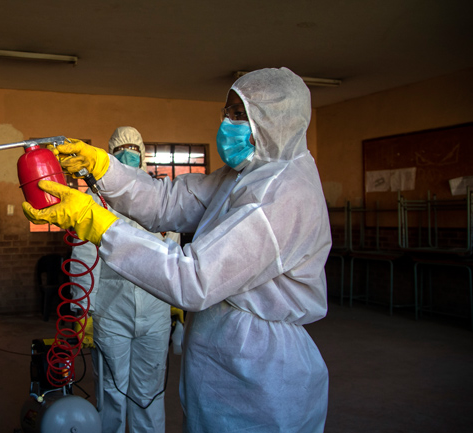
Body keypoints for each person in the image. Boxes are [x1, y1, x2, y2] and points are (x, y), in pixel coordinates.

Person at [23, 67, 331, 432]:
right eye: (226, 112)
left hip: (260, 369)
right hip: (219, 351)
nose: (226, 123)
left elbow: (193, 277)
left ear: (272, 121)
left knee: (150, 396)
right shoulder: (246, 174)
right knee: (117, 391)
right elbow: (167, 201)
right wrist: (103, 170)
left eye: (237, 114)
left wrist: (100, 225)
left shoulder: (284, 195)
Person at [71, 126, 180, 433]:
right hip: (110, 310)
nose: (129, 153)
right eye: (122, 148)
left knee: (149, 392)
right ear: (110, 153)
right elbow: (84, 255)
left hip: (155, 311)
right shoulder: (96, 198)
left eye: (135, 147)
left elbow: (174, 251)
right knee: (112, 390)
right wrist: (84, 309)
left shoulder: (158, 195)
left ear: (143, 153)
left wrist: (177, 304)